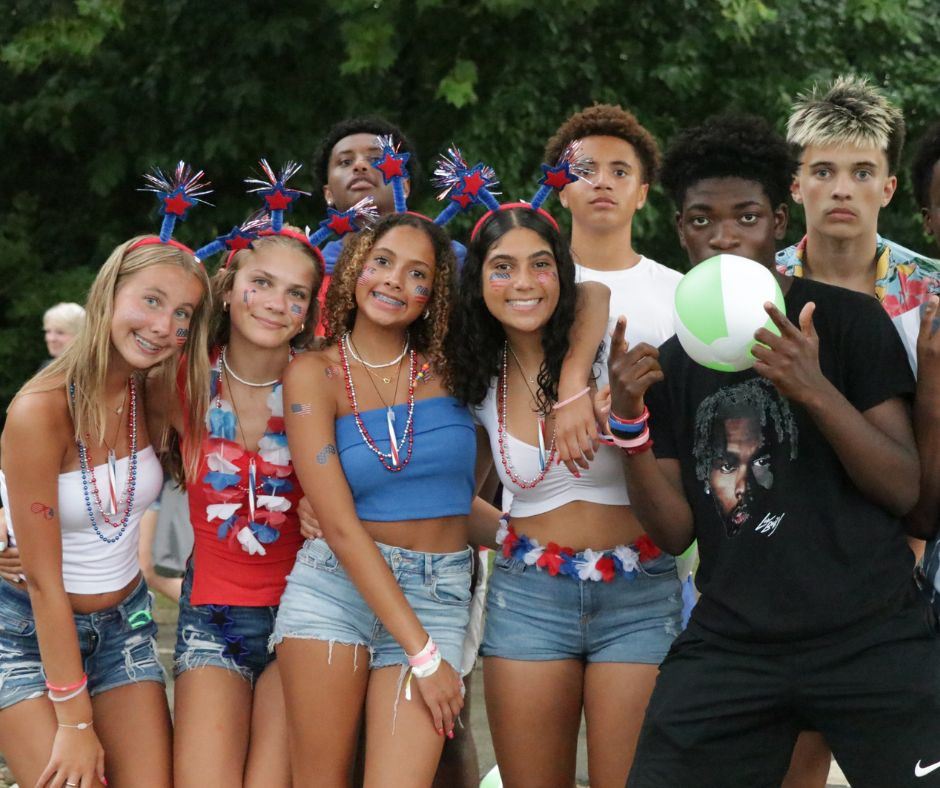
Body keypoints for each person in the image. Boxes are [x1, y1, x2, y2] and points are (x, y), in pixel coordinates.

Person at [615, 113, 940, 788]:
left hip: (869, 632)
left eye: (747, 216)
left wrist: (812, 388)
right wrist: (627, 423)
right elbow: (674, 531)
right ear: (680, 230)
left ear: (780, 223)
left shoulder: (847, 321)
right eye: (701, 220)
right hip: (734, 641)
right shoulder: (675, 364)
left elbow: (905, 488)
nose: (725, 236)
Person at [448, 204, 682, 787]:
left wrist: (579, 384)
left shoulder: (607, 347)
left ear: (562, 274)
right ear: (478, 282)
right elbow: (451, 496)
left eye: (541, 265)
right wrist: (513, 539)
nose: (523, 283)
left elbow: (597, 292)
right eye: (501, 268)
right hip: (529, 600)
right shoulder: (478, 376)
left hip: (639, 596)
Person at [272, 211, 492, 786]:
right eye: (384, 262)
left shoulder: (454, 373)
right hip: (334, 589)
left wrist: (532, 539)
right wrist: (423, 657)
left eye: (418, 274)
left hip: (437, 593)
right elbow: (340, 526)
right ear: (355, 270)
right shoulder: (311, 373)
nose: (396, 281)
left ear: (433, 296)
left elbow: (448, 502)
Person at [0, 227, 212, 788]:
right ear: (107, 294)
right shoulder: (40, 410)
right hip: (22, 633)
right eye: (151, 300)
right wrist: (73, 720)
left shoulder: (159, 394)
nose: (166, 326)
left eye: (184, 314)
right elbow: (43, 580)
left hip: (124, 627)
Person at [152, 221, 323, 787]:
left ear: (307, 311)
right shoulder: (179, 380)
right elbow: (100, 444)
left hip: (305, 615)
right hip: (212, 619)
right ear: (228, 289)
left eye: (296, 294)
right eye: (263, 283)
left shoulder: (322, 384)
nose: (277, 304)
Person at [777, 74, 940, 317]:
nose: (841, 191)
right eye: (823, 172)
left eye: (862, 174)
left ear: (887, 189)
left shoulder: (932, 288)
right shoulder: (761, 284)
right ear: (796, 186)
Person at [42, 302, 86, 367]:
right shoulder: (47, 368)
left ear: (80, 335)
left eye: (60, 332)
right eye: (48, 331)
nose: (51, 338)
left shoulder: (90, 371)